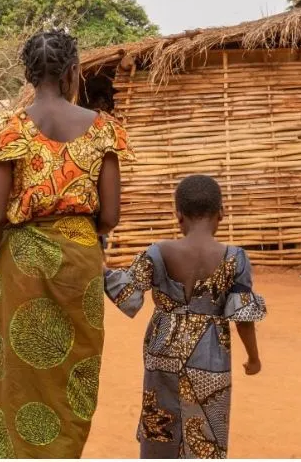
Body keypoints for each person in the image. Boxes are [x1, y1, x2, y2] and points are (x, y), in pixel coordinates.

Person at [0, 29, 134, 459]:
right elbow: (110, 216)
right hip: (81, 262)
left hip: (22, 266)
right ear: (72, 71)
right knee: (71, 369)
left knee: (18, 372)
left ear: (28, 74)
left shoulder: (8, 129)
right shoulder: (104, 130)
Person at [106, 176, 265, 458]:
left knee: (160, 425)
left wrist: (98, 269)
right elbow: (243, 317)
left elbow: (129, 296)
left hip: (161, 353)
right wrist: (254, 358)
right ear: (221, 212)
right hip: (211, 357)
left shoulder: (158, 252)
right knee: (207, 429)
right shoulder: (235, 257)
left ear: (178, 214)